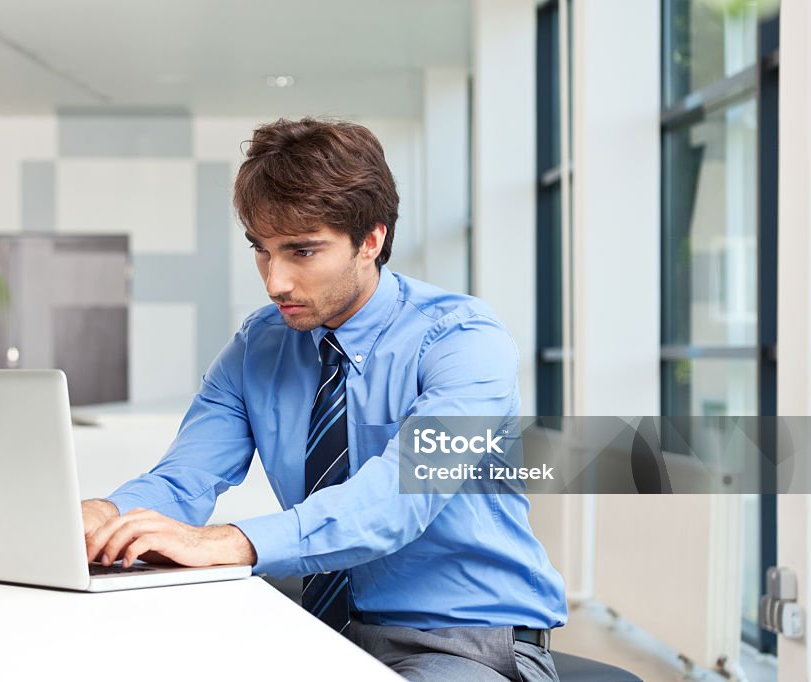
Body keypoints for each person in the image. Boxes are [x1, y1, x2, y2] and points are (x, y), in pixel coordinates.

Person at [81, 117, 567, 681]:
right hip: (313, 629)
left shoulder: (465, 342)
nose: (275, 282)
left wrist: (233, 541)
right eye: (261, 251)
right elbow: (183, 479)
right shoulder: (257, 346)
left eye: (302, 252)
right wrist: (108, 516)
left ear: (371, 240)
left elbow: (397, 501)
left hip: (462, 640)